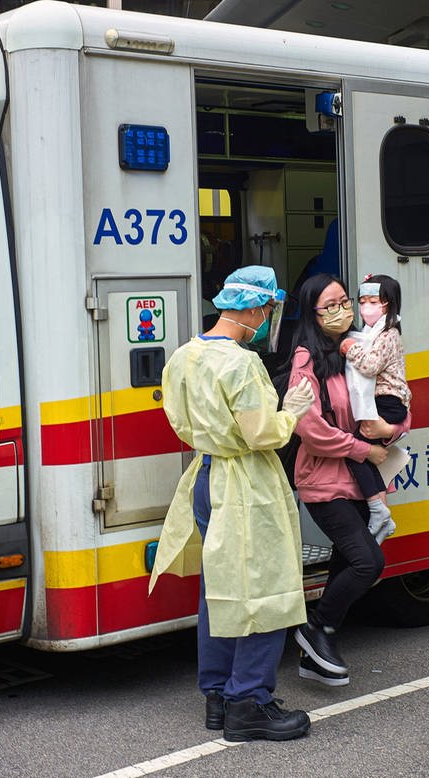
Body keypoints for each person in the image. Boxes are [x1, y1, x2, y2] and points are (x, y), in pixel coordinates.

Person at [147, 265, 317, 742]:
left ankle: (218, 697)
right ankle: (251, 702)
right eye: (265, 309)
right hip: (245, 481)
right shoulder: (242, 363)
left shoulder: (185, 354)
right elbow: (261, 434)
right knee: (264, 587)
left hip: (205, 474)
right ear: (251, 307)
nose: (265, 318)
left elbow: (180, 419)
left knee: (218, 588)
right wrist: (293, 410)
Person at [288, 273, 410, 687]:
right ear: (312, 313)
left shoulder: (359, 348)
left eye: (345, 302)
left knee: (347, 561)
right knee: (368, 561)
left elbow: (393, 398)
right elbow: (311, 428)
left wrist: (390, 431)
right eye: (330, 306)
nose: (341, 312)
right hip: (324, 481)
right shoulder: (307, 360)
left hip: (359, 482)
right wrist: (364, 450)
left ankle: (314, 656)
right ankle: (314, 628)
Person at [339, 274, 410, 543]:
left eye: (373, 301)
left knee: (356, 451)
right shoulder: (374, 332)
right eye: (363, 301)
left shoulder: (389, 334)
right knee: (364, 454)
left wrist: (349, 348)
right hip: (386, 403)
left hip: (388, 403)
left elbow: (369, 365)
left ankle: (379, 511)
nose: (366, 307)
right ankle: (381, 513)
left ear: (388, 305)